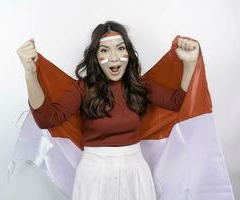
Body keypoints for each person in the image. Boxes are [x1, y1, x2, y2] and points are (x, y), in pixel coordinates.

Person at [16, 21, 199, 200]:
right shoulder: (83, 88)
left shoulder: (141, 85)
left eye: (120, 48)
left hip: (134, 172)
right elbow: (47, 119)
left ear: (128, 52)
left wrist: (190, 64)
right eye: (105, 50)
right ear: (95, 56)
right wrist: (30, 73)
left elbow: (178, 103)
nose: (113, 57)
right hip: (95, 175)